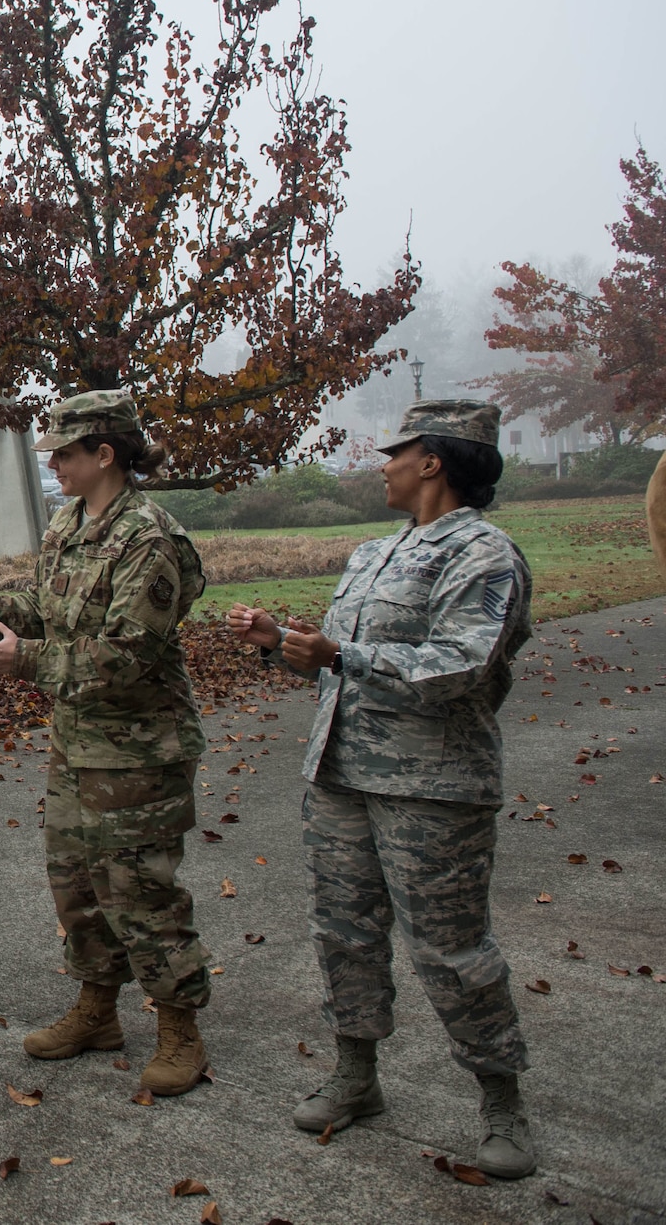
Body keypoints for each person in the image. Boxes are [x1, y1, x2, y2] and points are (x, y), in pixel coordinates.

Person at [226, 400, 538, 1178]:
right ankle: (355, 1076)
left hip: (433, 786)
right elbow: (340, 665)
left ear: (434, 459)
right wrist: (283, 648)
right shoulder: (373, 552)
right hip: (342, 778)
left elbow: (460, 665)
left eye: (395, 451)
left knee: (452, 951)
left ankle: (503, 1102)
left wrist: (345, 655)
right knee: (345, 933)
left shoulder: (484, 554)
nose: (383, 463)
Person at [0, 390, 212, 1095]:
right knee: (76, 886)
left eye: (65, 455)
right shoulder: (72, 525)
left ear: (105, 454)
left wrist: (25, 660)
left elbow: (124, 653)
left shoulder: (149, 538)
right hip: (79, 742)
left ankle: (180, 1028)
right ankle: (97, 1008)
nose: (55, 468)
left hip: (141, 750)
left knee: (139, 890)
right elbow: (47, 610)